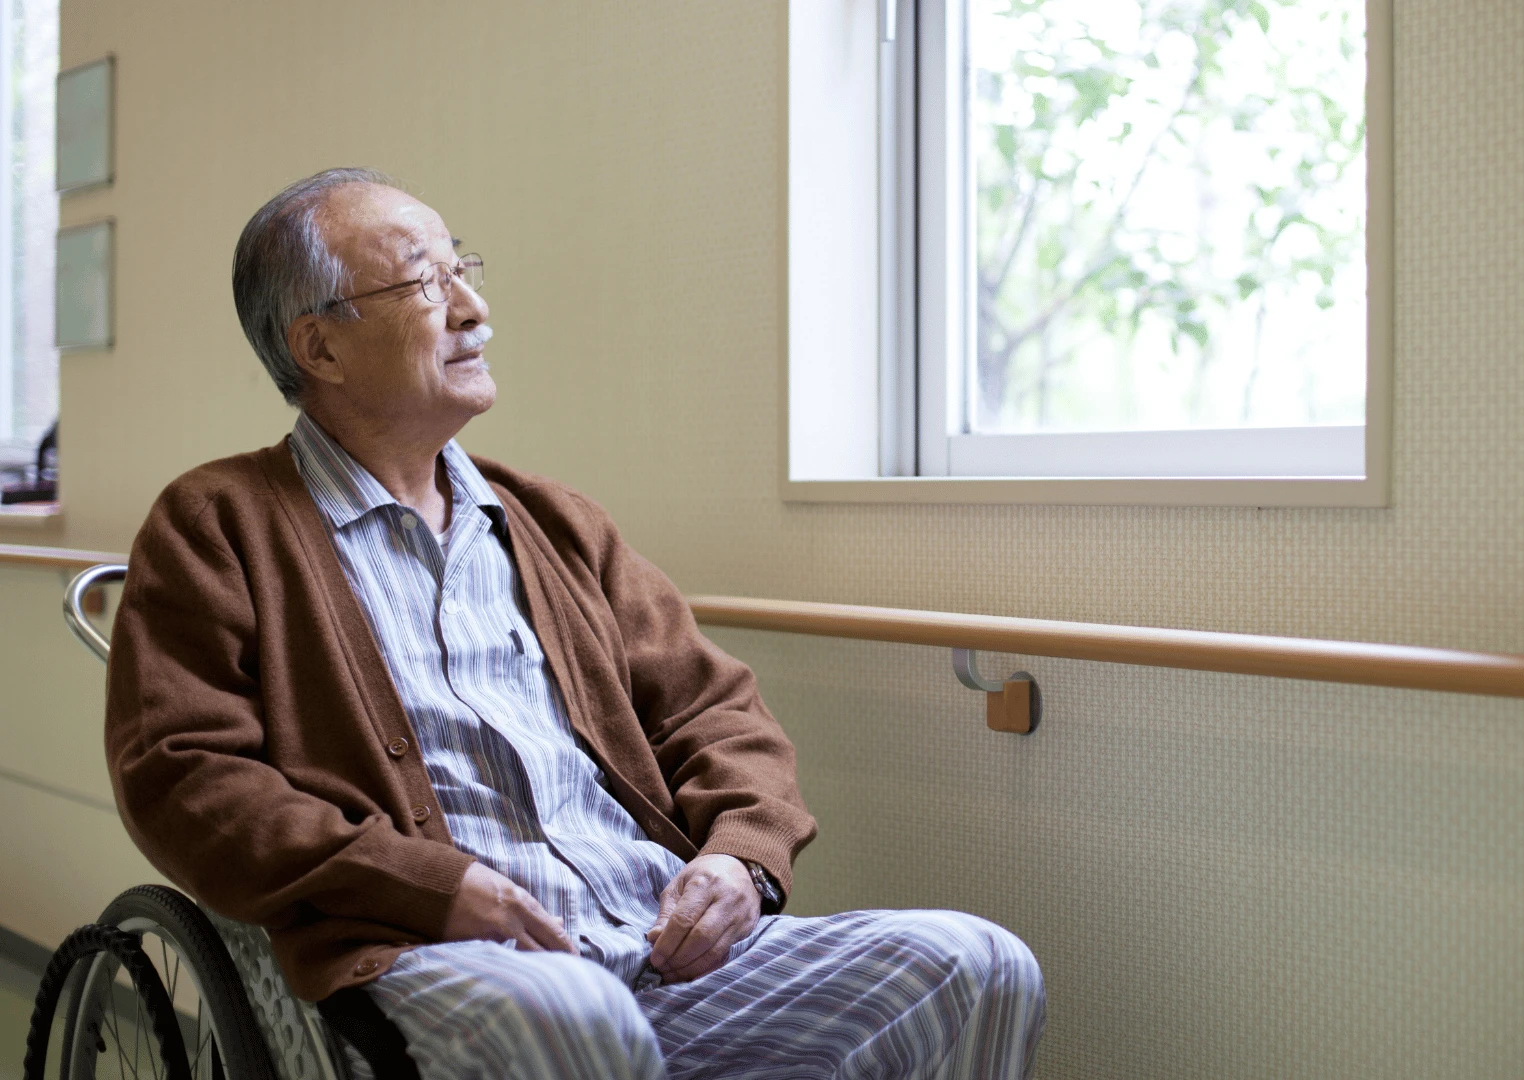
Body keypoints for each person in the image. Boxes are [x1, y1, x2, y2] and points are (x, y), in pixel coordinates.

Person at [104, 167, 1044, 1080]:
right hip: (434, 957)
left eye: (463, 269)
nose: (474, 310)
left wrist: (738, 861)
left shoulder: (553, 523)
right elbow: (184, 774)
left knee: (977, 963)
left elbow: (715, 712)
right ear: (320, 349)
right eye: (426, 282)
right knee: (576, 1017)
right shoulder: (219, 522)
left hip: (657, 941)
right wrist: (427, 884)